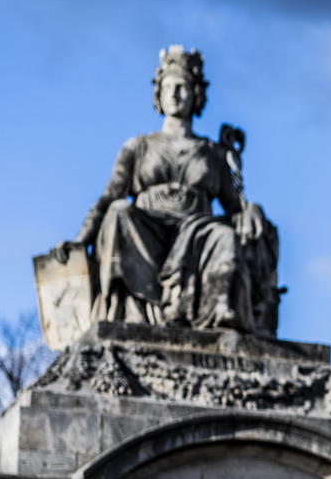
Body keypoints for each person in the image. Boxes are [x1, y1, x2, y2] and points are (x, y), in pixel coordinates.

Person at [57, 45, 278, 335]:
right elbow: (109, 197)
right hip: (147, 231)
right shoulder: (138, 147)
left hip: (196, 232)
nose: (175, 94)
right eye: (168, 87)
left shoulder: (213, 153)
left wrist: (254, 209)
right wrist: (80, 240)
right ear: (158, 94)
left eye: (182, 87)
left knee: (224, 235)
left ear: (196, 95)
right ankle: (134, 313)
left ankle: (220, 310)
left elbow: (235, 209)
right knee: (119, 212)